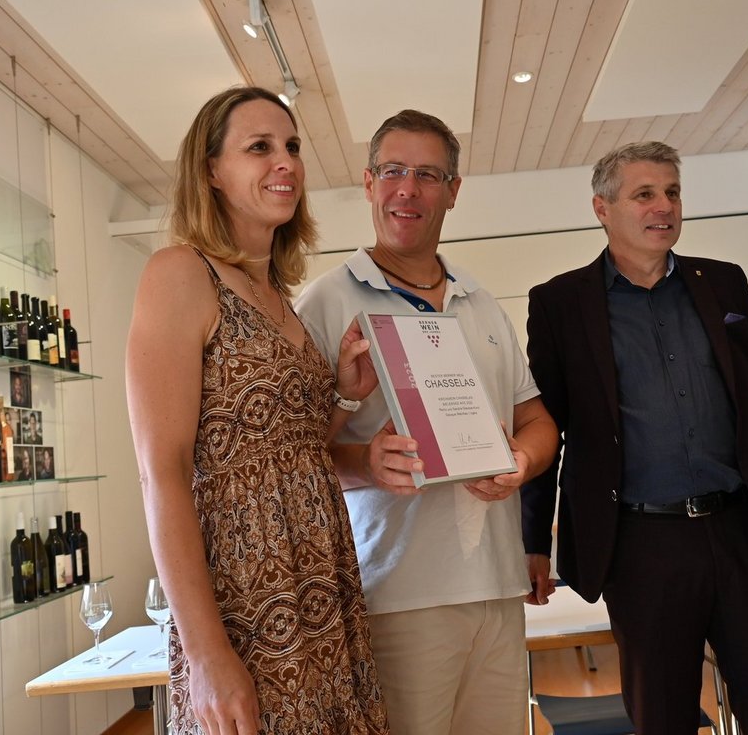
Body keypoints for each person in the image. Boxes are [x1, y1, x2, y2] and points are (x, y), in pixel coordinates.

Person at [520, 141, 748, 734]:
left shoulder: (725, 285)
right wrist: (531, 541)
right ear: (602, 208)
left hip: (745, 535)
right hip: (641, 546)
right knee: (662, 719)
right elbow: (544, 427)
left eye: (672, 192)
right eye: (644, 194)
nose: (663, 206)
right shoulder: (559, 304)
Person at [127, 86, 388, 735]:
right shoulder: (180, 273)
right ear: (211, 170)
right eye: (259, 147)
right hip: (245, 597)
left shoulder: (277, 295)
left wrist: (344, 394)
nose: (286, 163)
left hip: (322, 585)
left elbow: (291, 452)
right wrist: (206, 653)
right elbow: (162, 473)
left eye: (292, 147)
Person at [295, 109, 559, 735]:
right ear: (369, 183)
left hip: (496, 584)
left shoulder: (480, 301)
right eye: (392, 171)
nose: (407, 189)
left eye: (427, 175)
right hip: (398, 592)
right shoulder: (326, 302)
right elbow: (294, 455)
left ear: (453, 191)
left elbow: (537, 420)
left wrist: (522, 462)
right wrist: (366, 464)